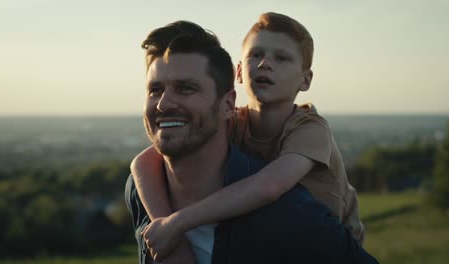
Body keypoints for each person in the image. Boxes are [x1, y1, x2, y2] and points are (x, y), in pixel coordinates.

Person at [125, 20, 378, 264]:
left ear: (306, 80)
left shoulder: (309, 128)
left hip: (329, 237)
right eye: (256, 55)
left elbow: (268, 187)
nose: (265, 64)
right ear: (239, 71)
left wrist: (178, 223)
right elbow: (142, 162)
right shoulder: (234, 120)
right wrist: (169, 236)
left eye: (282, 58)